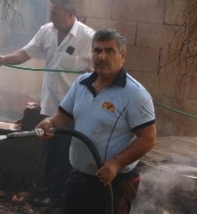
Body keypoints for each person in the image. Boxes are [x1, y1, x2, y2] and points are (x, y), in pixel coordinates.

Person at [0, 0, 95, 207]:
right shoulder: (47, 31)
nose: (51, 17)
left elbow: (100, 68)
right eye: (50, 12)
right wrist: (4, 59)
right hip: (49, 106)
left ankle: (61, 198)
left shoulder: (88, 37)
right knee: (51, 152)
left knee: (66, 154)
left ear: (71, 14)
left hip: (73, 108)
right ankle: (51, 194)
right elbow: (25, 53)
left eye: (55, 14)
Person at [35, 28, 157, 214]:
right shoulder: (81, 84)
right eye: (97, 50)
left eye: (109, 51)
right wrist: (49, 123)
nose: (102, 56)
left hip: (113, 182)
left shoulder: (135, 94)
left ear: (122, 56)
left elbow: (148, 138)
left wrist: (116, 163)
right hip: (79, 175)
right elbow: (62, 118)